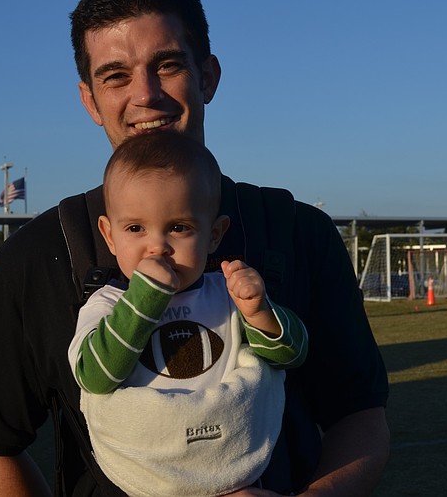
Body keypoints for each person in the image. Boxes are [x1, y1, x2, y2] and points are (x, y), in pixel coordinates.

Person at [0, 0, 389, 497]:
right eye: (115, 76)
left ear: (207, 76)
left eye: (167, 65)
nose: (145, 95)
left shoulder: (298, 231)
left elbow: (361, 416)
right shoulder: (36, 256)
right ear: (90, 100)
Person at [68, 132, 307, 496]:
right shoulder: (108, 304)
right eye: (135, 228)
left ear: (214, 235)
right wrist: (144, 298)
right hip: (149, 470)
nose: (157, 246)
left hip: (231, 465)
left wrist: (258, 311)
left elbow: (291, 355)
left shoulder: (227, 293)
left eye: (179, 228)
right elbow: (94, 378)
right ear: (110, 236)